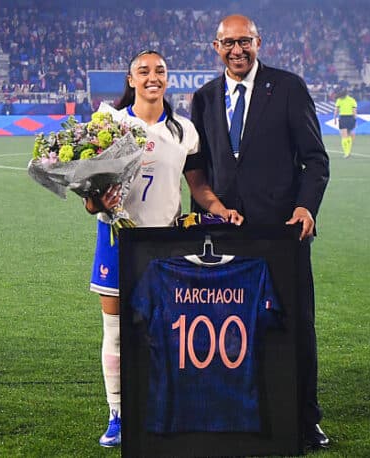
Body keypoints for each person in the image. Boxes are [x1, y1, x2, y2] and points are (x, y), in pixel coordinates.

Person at [83, 50, 243, 448]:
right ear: (131, 79)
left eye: (160, 71)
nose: (153, 77)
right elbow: (90, 198)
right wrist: (97, 203)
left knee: (166, 330)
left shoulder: (184, 131)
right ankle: (117, 413)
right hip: (118, 240)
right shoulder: (110, 124)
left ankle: (162, 404)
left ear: (167, 79)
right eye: (144, 71)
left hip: (166, 242)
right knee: (117, 332)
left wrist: (220, 209)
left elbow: (198, 185)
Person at [185, 14, 331, 450]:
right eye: (228, 43)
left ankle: (306, 418)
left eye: (244, 41)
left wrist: (305, 206)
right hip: (223, 234)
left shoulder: (288, 87)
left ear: (258, 42)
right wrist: (210, 211)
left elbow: (316, 160)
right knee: (224, 328)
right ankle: (229, 412)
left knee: (296, 324)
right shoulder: (205, 97)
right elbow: (198, 167)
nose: (237, 50)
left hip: (282, 233)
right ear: (216, 47)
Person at [333, 88, 357, 158]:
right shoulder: (352, 100)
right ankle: (348, 151)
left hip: (343, 118)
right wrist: (355, 120)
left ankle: (346, 153)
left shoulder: (339, 100)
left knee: (344, 136)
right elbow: (354, 111)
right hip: (350, 118)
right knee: (349, 135)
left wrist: (334, 118)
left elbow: (336, 110)